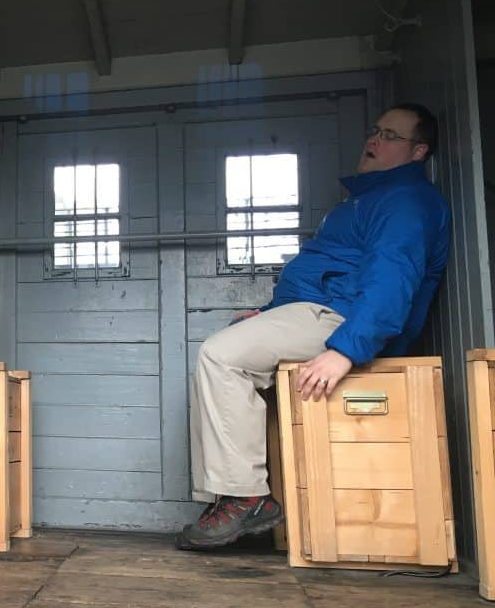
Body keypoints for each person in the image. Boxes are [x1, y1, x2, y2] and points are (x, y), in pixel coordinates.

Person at [177, 103, 450, 551]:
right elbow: (332, 272)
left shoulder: (405, 202)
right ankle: (233, 493)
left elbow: (391, 280)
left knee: (221, 355)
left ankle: (246, 496)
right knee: (227, 348)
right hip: (328, 311)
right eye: (375, 130)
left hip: (344, 320)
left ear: (419, 151)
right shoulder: (369, 198)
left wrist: (345, 349)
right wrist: (267, 312)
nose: (374, 140)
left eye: (391, 136)